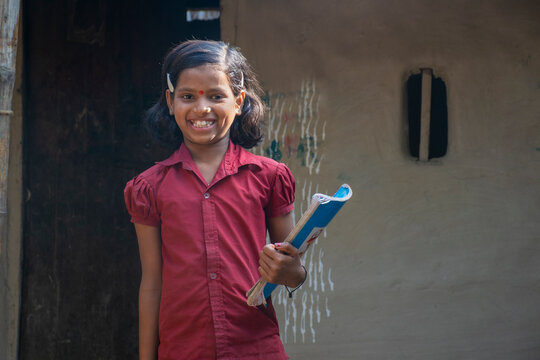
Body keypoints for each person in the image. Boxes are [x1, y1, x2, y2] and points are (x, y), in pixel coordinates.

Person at [124, 40, 307, 360]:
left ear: (238, 102)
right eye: (187, 96)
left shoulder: (269, 177)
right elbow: (152, 284)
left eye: (216, 95)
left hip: (255, 349)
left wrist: (289, 270)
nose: (201, 108)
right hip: (182, 351)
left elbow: (294, 273)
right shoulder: (150, 188)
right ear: (170, 102)